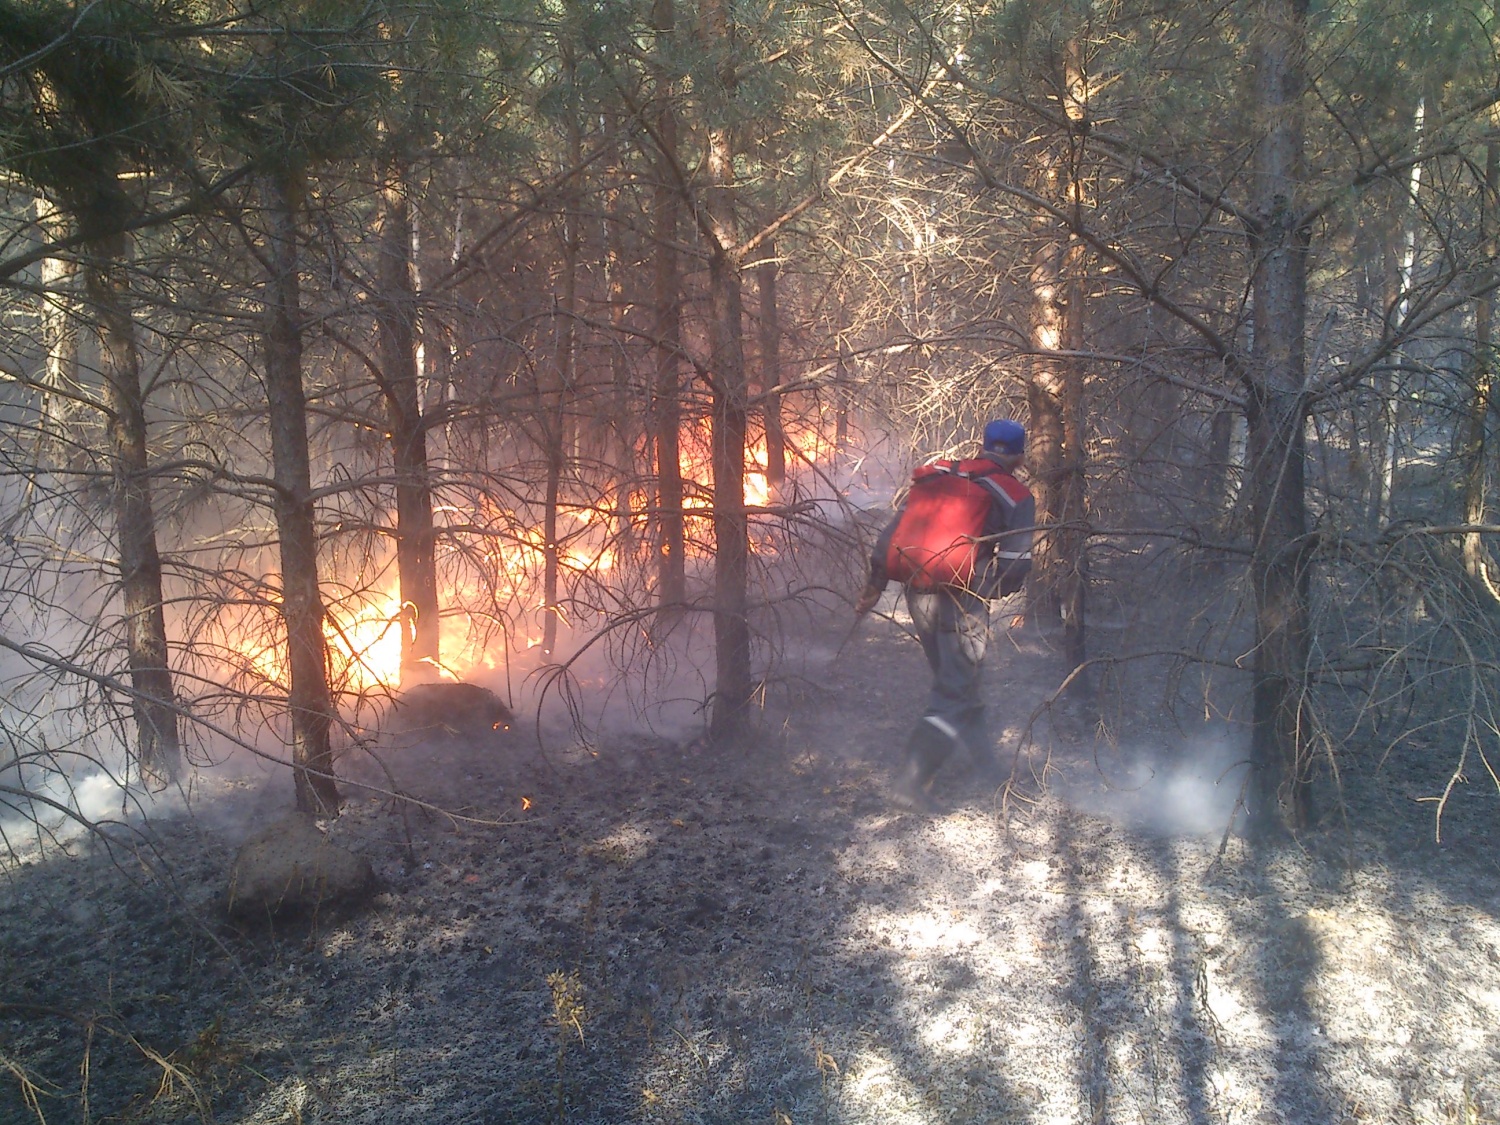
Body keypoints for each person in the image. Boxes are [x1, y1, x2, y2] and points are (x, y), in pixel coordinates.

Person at [854, 419, 1035, 811]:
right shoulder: (1015, 494)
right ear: (1019, 456)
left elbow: (892, 534)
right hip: (962, 600)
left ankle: (988, 770)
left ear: (984, 446)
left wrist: (874, 584)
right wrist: (987, 590)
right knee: (954, 690)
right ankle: (909, 783)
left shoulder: (939, 474)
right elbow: (1017, 565)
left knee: (958, 682)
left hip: (917, 593)